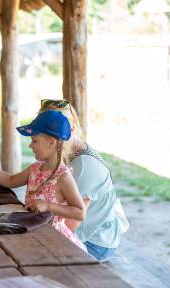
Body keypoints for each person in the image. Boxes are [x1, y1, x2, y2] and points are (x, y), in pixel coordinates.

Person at [0, 110, 87, 251]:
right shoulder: (35, 168)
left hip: (56, 240)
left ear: (52, 142)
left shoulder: (63, 177)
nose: (30, 146)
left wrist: (49, 206)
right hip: (33, 232)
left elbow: (80, 212)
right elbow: (10, 180)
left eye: (34, 141)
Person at [38, 99, 126, 262]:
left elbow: (69, 226)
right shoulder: (63, 151)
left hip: (95, 241)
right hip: (70, 229)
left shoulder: (84, 165)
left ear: (71, 129)